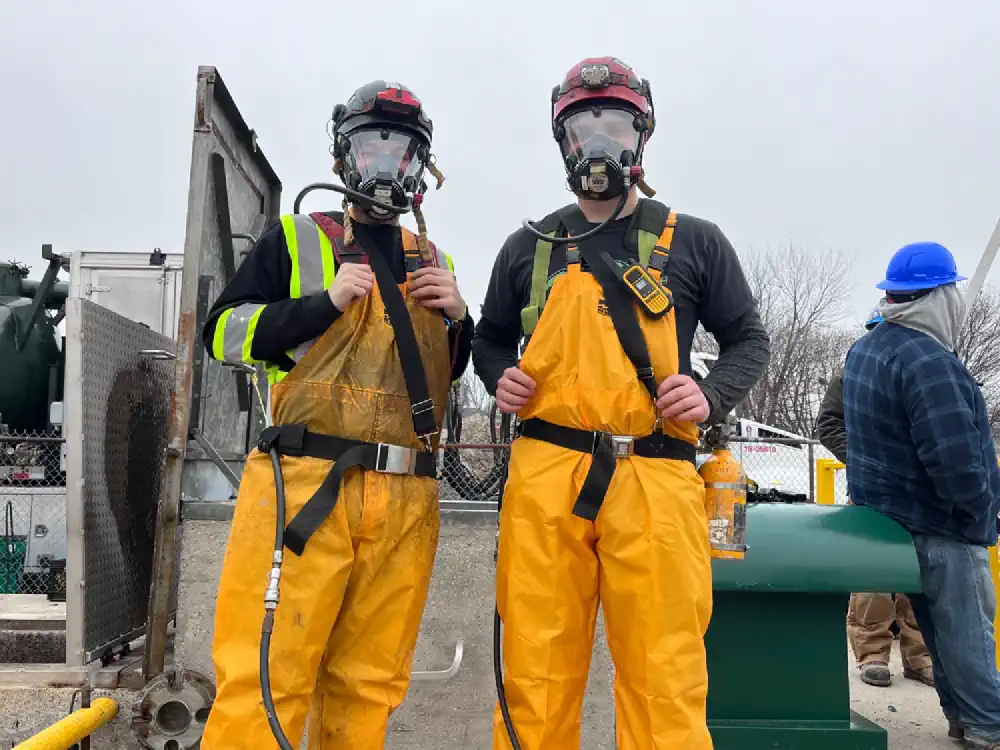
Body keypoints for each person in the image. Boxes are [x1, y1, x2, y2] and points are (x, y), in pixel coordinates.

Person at [472, 56, 771, 750]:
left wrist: (710, 392)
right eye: (583, 125)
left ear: (642, 135)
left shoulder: (694, 240)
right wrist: (499, 376)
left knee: (663, 675)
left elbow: (749, 340)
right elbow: (488, 339)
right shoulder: (528, 245)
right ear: (564, 141)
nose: (598, 141)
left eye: (614, 123)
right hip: (547, 474)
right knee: (535, 673)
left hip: (658, 477)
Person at [198, 80, 474, 749]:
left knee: (369, 683)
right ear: (342, 156)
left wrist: (461, 320)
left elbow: (441, 377)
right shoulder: (294, 240)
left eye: (401, 149)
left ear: (419, 166)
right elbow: (222, 333)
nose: (386, 162)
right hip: (302, 487)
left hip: (405, 498)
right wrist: (324, 303)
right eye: (371, 143)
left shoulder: (434, 262)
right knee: (268, 676)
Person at [842, 241, 1000, 749]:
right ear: (937, 296)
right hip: (943, 524)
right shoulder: (929, 361)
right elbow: (955, 461)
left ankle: (963, 718)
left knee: (941, 633)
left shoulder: (866, 349)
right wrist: (979, 509)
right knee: (968, 637)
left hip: (891, 518)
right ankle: (987, 725)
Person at [816, 305, 935, 690]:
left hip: (918, 496)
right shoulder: (851, 372)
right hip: (871, 493)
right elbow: (829, 423)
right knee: (873, 580)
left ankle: (920, 657)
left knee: (919, 575)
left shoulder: (921, 369)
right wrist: (864, 459)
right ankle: (872, 655)